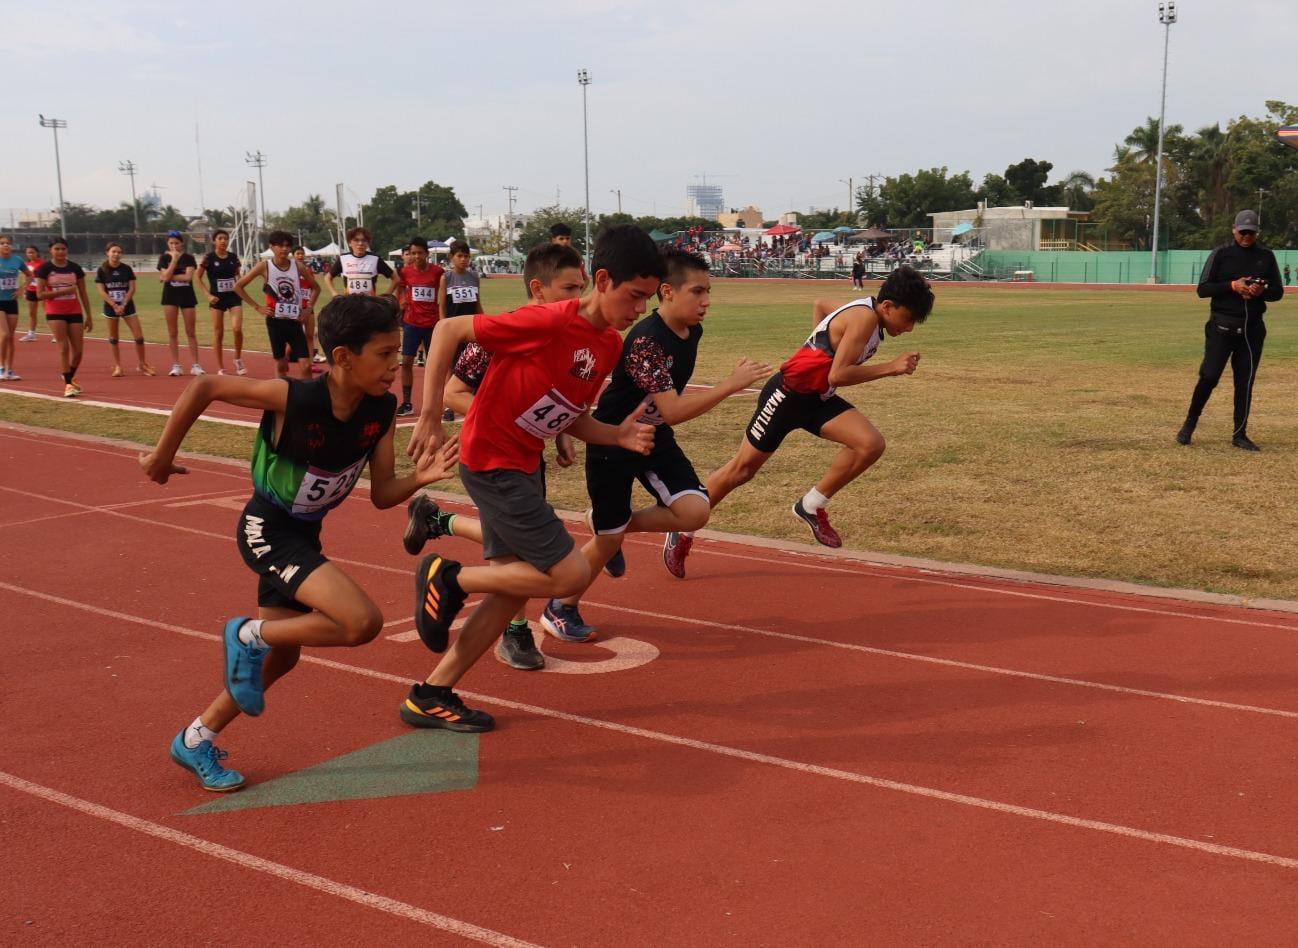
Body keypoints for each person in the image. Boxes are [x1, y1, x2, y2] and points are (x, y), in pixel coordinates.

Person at [142, 294, 459, 792]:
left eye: (400, 352)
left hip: (304, 533)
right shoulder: (297, 399)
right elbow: (204, 386)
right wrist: (162, 456)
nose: (398, 364)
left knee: (283, 655)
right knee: (361, 622)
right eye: (384, 353)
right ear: (342, 357)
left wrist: (422, 477)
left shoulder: (379, 409)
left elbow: (381, 495)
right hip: (266, 529)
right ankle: (246, 634)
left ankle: (196, 737)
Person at [398, 225, 664, 731]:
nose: (638, 311)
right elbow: (447, 332)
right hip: (491, 459)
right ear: (602, 280)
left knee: (510, 594)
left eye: (647, 300)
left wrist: (616, 436)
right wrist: (430, 413)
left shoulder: (607, 345)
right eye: (634, 297)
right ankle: (449, 578)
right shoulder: (546, 321)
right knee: (569, 574)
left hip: (523, 463)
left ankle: (430, 693)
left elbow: (572, 413)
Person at [544, 249, 770, 639]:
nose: (706, 301)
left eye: (709, 292)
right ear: (667, 292)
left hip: (653, 435)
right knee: (607, 538)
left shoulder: (692, 331)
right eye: (697, 292)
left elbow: (665, 412)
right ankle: (560, 607)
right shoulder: (646, 340)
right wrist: (730, 384)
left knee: (694, 511)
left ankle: (606, 525)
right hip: (613, 439)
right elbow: (675, 409)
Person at [662, 265, 932, 577]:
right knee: (741, 470)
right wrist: (890, 367)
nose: (910, 328)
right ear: (887, 306)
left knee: (870, 444)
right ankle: (683, 527)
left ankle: (811, 505)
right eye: (909, 318)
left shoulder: (866, 313)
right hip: (787, 396)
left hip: (817, 399)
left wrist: (817, 346)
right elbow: (839, 374)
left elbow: (821, 306)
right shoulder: (865, 317)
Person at [403, 241, 586, 670]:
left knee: (510, 541)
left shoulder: (564, 334)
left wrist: (557, 431)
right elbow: (454, 391)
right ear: (538, 289)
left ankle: (438, 522)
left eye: (581, 288)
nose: (577, 300)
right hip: (490, 452)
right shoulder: (504, 330)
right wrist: (504, 417)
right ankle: (515, 629)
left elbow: (554, 395)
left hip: (525, 452)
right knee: (520, 553)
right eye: (568, 289)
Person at [1176, 210, 1284, 451]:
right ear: (1234, 229)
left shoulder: (1266, 256)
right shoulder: (1221, 254)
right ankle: (1189, 424)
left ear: (1257, 232)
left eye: (1251, 232)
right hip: (1221, 326)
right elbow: (1203, 289)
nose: (1246, 236)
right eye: (1243, 231)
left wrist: (1261, 291)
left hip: (1252, 330)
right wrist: (1232, 285)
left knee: (1244, 383)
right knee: (1209, 376)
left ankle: (1240, 434)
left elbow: (1277, 291)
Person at [234, 231, 319, 380]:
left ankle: (309, 398)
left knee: (305, 365)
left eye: (287, 246)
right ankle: (280, 397)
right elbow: (238, 287)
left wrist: (308, 308)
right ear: (271, 247)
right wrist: (257, 307)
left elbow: (316, 288)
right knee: (280, 366)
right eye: (280, 245)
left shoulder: (297, 266)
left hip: (294, 321)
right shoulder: (264, 266)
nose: (284, 249)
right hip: (275, 322)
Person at [34, 237, 93, 397]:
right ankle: (67, 384)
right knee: (63, 347)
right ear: (50, 250)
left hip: (74, 311)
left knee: (78, 351)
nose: (60, 252)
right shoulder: (45, 269)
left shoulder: (75, 268)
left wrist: (89, 315)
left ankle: (68, 375)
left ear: (67, 250)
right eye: (57, 249)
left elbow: (83, 293)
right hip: (55, 312)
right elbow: (40, 294)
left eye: (63, 249)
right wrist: (64, 292)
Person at [395, 237, 445, 415]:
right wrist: (401, 300)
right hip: (411, 323)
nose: (416, 256)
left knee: (435, 364)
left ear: (427, 254)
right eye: (413, 253)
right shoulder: (405, 272)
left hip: (432, 324)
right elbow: (400, 288)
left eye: (420, 253)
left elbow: (445, 290)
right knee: (407, 362)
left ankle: (435, 401)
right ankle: (407, 403)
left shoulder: (438, 271)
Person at [436, 239, 483, 421]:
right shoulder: (446, 278)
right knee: (452, 367)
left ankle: (472, 399)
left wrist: (484, 321)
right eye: (460, 256)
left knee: (474, 364)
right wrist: (443, 326)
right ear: (451, 257)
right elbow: (442, 305)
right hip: (454, 329)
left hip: (471, 327)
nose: (464, 260)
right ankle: (448, 406)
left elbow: (477, 302)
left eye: (467, 256)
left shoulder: (474, 277)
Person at [94, 242, 154, 378]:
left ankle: (142, 364)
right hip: (111, 308)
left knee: (139, 337)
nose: (116, 254)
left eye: (119, 252)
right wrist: (114, 305)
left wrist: (123, 304)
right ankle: (118, 366)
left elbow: (132, 288)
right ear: (107, 253)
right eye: (114, 251)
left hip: (127, 306)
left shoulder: (126, 269)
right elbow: (101, 291)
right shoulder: (102, 270)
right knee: (114, 338)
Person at [195, 229, 246, 376]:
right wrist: (208, 295)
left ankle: (237, 359)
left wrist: (240, 286)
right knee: (219, 332)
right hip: (217, 298)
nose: (223, 241)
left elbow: (238, 275)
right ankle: (221, 367)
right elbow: (197, 277)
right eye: (220, 238)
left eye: (225, 238)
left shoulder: (233, 257)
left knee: (237, 328)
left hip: (233, 297)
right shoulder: (208, 258)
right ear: (214, 241)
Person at [159, 232, 203, 377]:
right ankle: (176, 365)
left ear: (182, 243)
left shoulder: (189, 258)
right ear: (167, 244)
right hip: (170, 297)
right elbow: (165, 277)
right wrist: (173, 261)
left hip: (187, 296)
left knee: (191, 332)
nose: (174, 246)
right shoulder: (164, 258)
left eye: (176, 243)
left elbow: (188, 277)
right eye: (171, 243)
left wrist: (169, 276)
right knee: (173, 333)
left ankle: (195, 365)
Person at [325, 227, 397, 299]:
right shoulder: (343, 259)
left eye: (364, 240)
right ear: (350, 243)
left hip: (369, 304)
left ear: (368, 243)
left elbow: (396, 279)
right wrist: (335, 294)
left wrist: (385, 296)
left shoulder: (375, 259)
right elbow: (327, 278)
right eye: (356, 240)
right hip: (349, 303)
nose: (360, 243)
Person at [292, 246, 323, 366]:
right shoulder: (290, 270)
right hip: (295, 307)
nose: (300, 256)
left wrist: (310, 303)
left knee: (310, 335)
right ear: (293, 255)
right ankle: (283, 359)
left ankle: (311, 363)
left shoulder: (308, 270)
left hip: (308, 306)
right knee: (293, 336)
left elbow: (313, 287)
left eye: (302, 254)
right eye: (298, 253)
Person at [0, 235, 26, 380]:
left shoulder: (17, 260)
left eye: (8, 243)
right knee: (4, 335)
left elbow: (29, 275)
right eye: (2, 243)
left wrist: (22, 289)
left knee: (10, 337)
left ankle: (9, 370)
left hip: (11, 301)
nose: (5, 245)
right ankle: (1, 367)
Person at [19, 245, 43, 342]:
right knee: (32, 313)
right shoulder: (26, 264)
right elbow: (26, 277)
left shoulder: (43, 263)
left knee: (49, 312)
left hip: (42, 290)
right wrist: (25, 290)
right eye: (29, 252)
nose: (31, 254)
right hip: (31, 290)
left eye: (33, 252)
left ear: (37, 252)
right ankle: (31, 334)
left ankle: (56, 334)